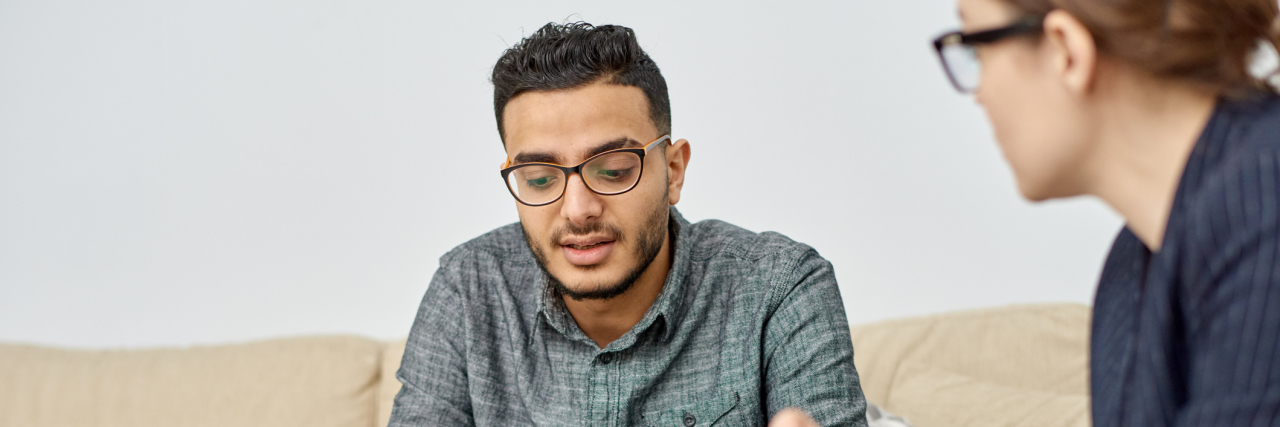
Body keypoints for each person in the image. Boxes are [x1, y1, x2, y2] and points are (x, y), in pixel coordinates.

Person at [387, 22, 867, 426]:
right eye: (538, 178)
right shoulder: (467, 288)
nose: (578, 210)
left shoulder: (779, 285)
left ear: (673, 171)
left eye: (614, 170)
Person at [931, 0, 1280, 424]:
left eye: (975, 48)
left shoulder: (1264, 208)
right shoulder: (1130, 267)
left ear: (1066, 50)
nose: (979, 94)